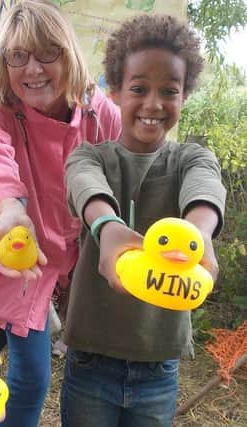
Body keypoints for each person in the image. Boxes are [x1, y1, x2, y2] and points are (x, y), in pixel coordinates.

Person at [0, 1, 121, 425]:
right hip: (23, 251)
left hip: (85, 249)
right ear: (4, 63)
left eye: (47, 52)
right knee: (30, 377)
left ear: (67, 53)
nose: (33, 69)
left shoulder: (97, 110)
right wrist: (9, 208)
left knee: (93, 364)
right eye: (18, 56)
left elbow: (131, 161)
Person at [61, 14, 226, 427]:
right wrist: (107, 227)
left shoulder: (191, 158)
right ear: (115, 92)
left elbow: (205, 187)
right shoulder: (91, 156)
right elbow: (84, 185)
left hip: (159, 367)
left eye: (169, 91)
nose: (153, 104)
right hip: (90, 362)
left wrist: (198, 233)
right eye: (139, 89)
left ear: (184, 96)